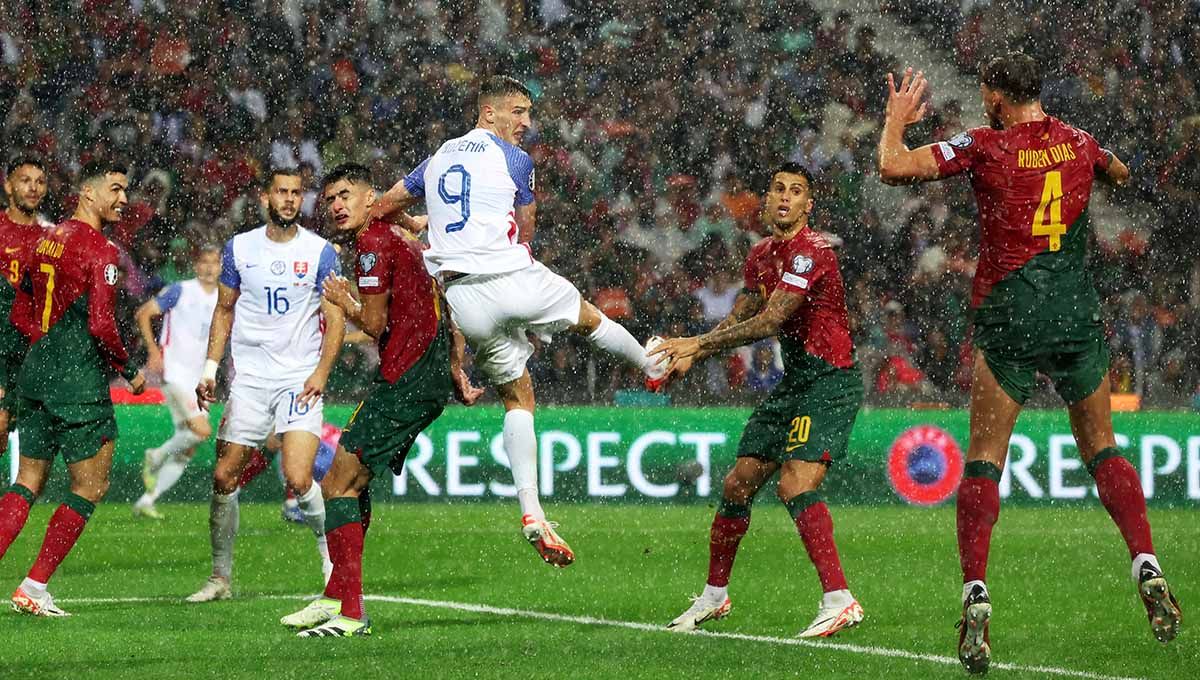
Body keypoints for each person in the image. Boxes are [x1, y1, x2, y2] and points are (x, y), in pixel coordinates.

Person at [877, 53, 1182, 674]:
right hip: (1073, 314)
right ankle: (1145, 561)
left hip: (1010, 311)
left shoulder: (985, 146)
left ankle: (976, 594)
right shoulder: (1078, 141)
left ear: (994, 96)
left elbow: (892, 166)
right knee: (1102, 446)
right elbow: (1120, 173)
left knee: (986, 456)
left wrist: (895, 119)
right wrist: (1094, 165)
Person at [372, 76, 665, 567]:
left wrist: (420, 226)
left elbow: (381, 208)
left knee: (517, 396)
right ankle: (650, 366)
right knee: (589, 318)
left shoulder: (437, 158)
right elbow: (524, 230)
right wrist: (524, 300)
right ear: (490, 114)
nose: (527, 123)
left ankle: (531, 511)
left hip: (463, 296)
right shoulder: (515, 160)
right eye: (519, 111)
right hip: (509, 273)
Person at [652, 163, 865, 638]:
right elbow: (744, 314)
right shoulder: (761, 256)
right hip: (794, 385)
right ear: (766, 201)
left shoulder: (813, 253)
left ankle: (840, 599)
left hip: (830, 382)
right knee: (738, 483)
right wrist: (695, 351)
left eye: (796, 191)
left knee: (794, 484)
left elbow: (771, 321)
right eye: (778, 189)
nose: (785, 197)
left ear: (809, 206)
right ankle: (714, 597)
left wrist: (697, 345)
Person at [279, 162, 481, 637]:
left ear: (373, 199)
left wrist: (342, 298)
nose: (336, 206)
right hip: (419, 377)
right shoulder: (401, 237)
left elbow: (371, 324)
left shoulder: (372, 244)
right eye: (329, 200)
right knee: (352, 482)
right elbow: (443, 302)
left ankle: (351, 613)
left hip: (406, 382)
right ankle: (335, 599)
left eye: (346, 195)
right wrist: (454, 367)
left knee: (337, 486)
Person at [187, 168, 346, 607]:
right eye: (282, 192)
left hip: (299, 378)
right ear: (266, 197)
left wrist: (321, 373)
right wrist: (209, 369)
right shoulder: (240, 249)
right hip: (251, 381)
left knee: (298, 477)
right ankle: (220, 577)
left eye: (296, 193)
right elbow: (224, 310)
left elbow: (335, 319)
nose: (290, 200)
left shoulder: (320, 253)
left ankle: (331, 563)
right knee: (223, 475)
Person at [0, 160, 146, 616]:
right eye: (116, 189)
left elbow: (21, 313)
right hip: (77, 384)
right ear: (88, 193)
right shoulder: (100, 251)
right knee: (90, 485)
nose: (124, 199)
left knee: (26, 482)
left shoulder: (44, 238)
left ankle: (31, 585)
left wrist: (36, 358)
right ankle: (34, 586)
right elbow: (103, 326)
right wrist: (131, 369)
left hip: (35, 378)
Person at [131, 245, 220, 519]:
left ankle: (148, 499)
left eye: (214, 263)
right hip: (176, 371)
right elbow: (143, 313)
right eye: (204, 261)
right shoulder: (180, 290)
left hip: (200, 377)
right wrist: (153, 350)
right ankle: (155, 456)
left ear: (220, 268)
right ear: (196, 266)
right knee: (202, 431)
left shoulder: (223, 298)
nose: (208, 268)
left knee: (189, 446)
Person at [0, 155, 49, 451]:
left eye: (40, 182)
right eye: (25, 180)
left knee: (15, 435)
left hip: (30, 353)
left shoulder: (49, 240)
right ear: (8, 186)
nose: (33, 188)